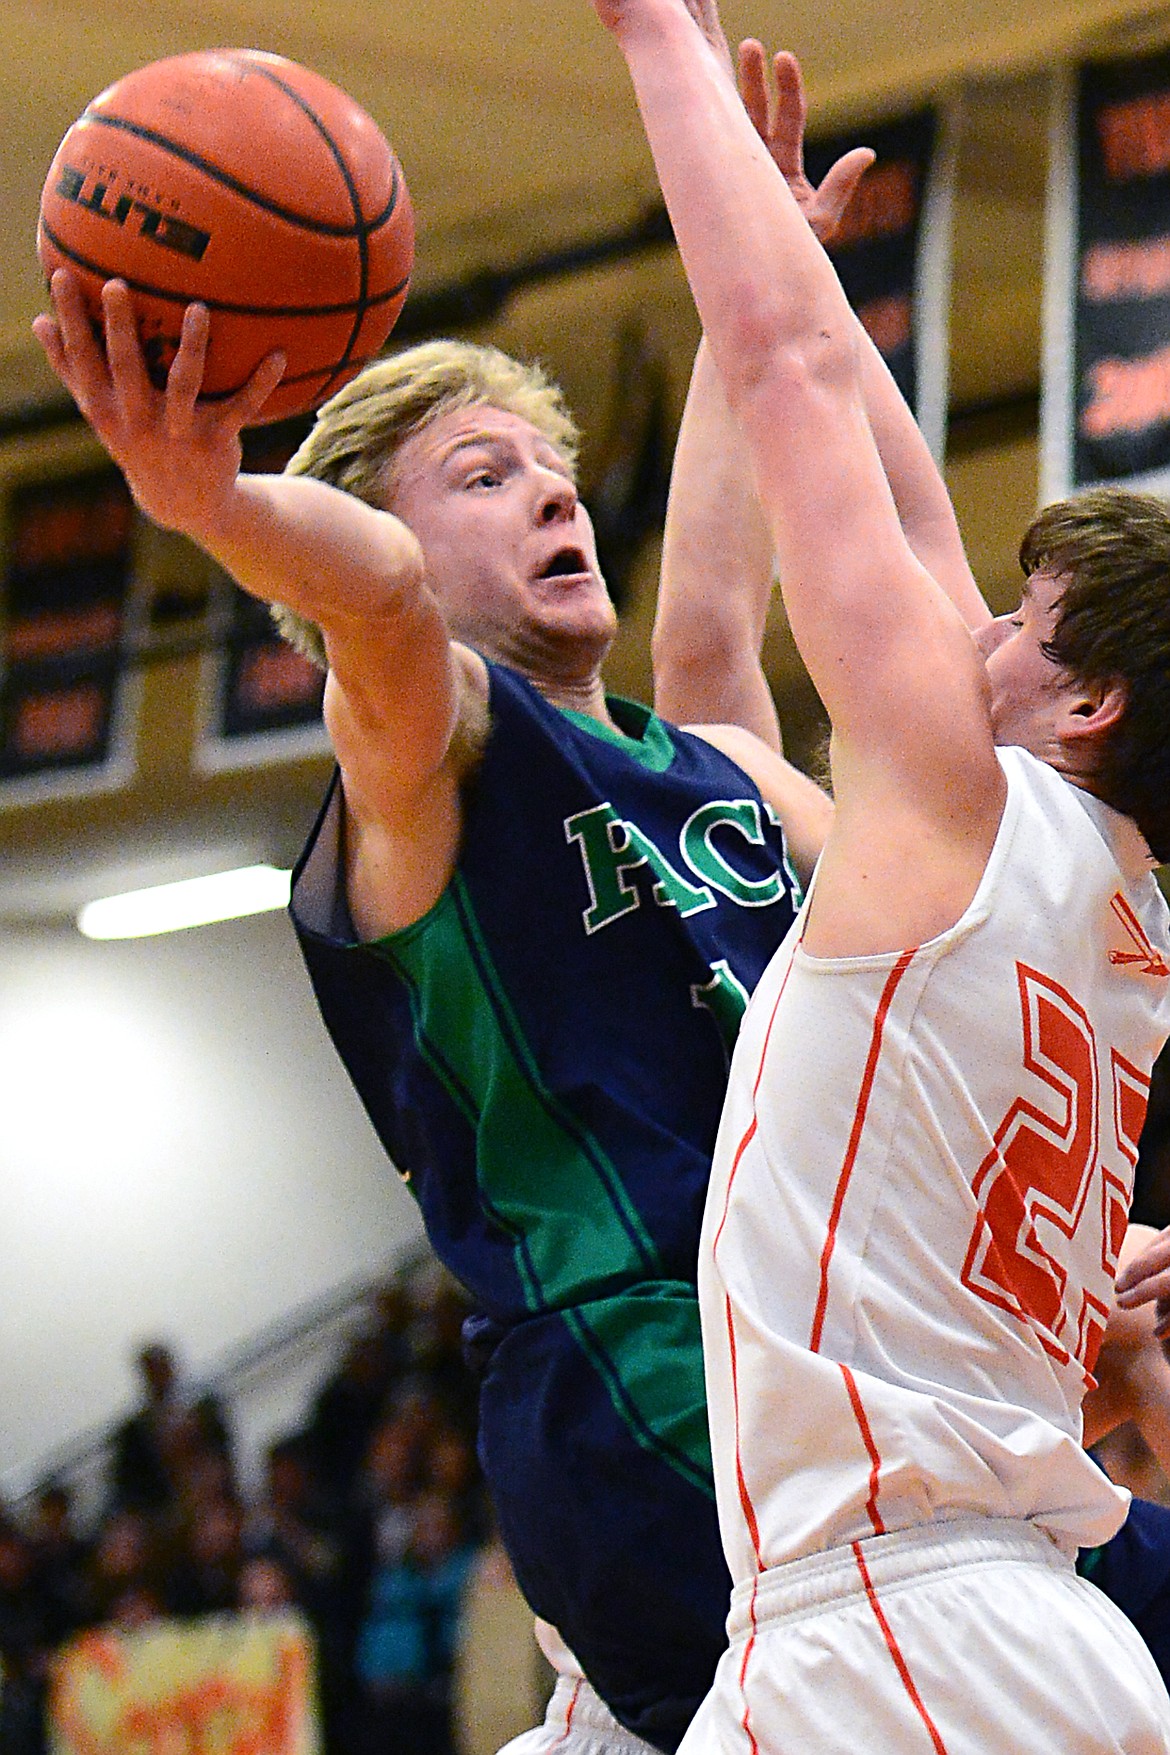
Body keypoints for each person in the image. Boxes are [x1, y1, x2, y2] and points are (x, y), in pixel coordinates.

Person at [32, 69, 1170, 1755]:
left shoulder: (720, 765)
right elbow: (386, 604)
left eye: (555, 473)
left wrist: (757, 276)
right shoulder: (429, 759)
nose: (553, 497)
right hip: (635, 1377)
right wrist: (219, 509)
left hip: (809, 1380)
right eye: (484, 476)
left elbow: (712, 617)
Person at [594, 0, 1170, 1748]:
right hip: (1007, 1634)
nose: (974, 622)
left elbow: (784, 376)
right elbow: (894, 488)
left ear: (1083, 702)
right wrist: (780, 232)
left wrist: (652, 42)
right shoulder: (1123, 911)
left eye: (1022, 622)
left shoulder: (960, 810)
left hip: (893, 1634)